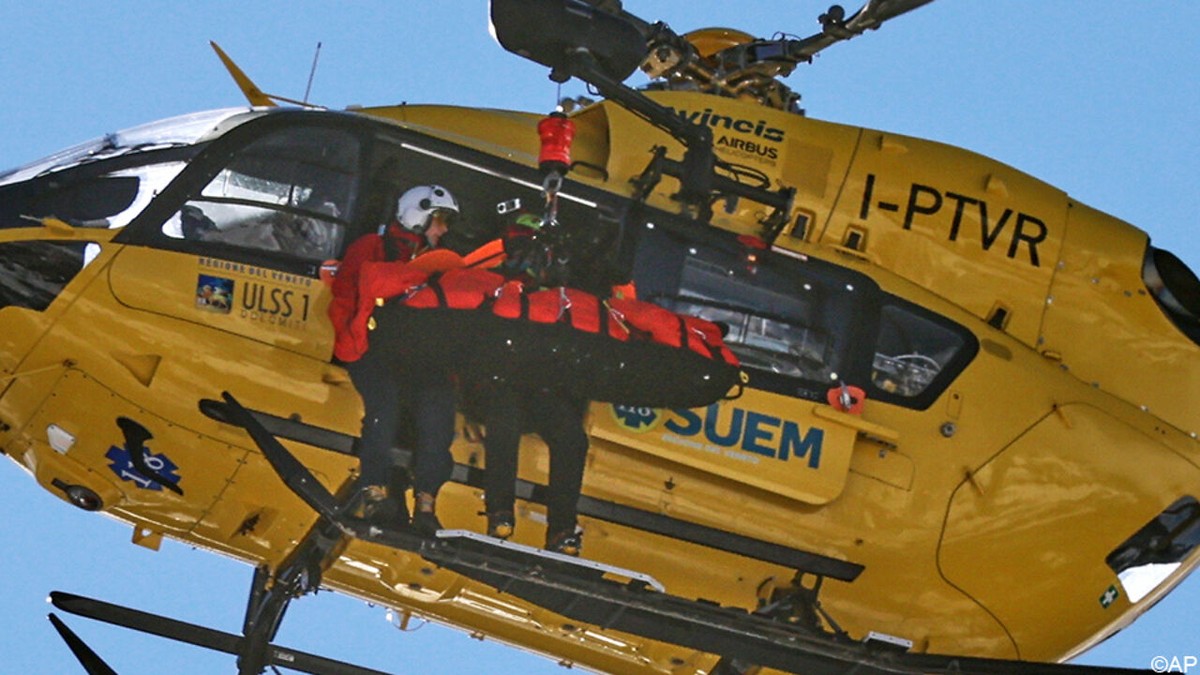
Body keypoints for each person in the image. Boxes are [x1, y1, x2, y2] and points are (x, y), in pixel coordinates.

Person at [329, 184, 460, 535]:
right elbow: (350, 293)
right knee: (384, 402)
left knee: (438, 402)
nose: (443, 230)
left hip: (413, 356)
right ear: (418, 216)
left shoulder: (440, 266)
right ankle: (374, 488)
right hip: (368, 350)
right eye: (439, 221)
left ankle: (427, 500)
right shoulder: (371, 248)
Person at [471, 213, 600, 555]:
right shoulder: (489, 280)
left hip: (541, 389)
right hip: (497, 384)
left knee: (572, 438)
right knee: (504, 421)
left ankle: (562, 530)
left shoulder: (562, 295)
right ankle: (499, 510)